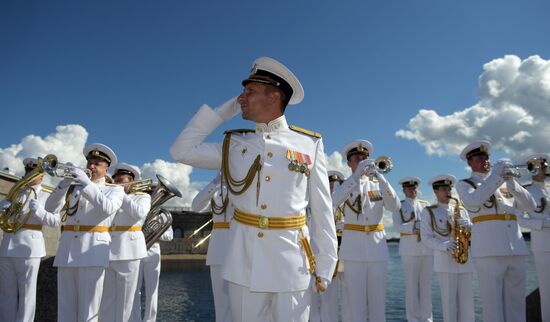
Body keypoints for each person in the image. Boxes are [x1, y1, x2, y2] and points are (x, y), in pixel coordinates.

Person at [169, 56, 338, 322]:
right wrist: (226, 111)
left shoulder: (309, 144)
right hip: (244, 262)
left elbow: (322, 209)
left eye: (250, 91)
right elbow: (181, 150)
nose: (241, 98)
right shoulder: (234, 144)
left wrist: (326, 265)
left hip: (291, 263)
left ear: (274, 96)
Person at [455, 140, 536, 322]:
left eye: (486, 157)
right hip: (489, 251)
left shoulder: (504, 183)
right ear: (470, 162)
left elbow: (531, 206)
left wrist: (512, 182)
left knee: (516, 305)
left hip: (515, 249)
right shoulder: (465, 184)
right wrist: (497, 177)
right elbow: (474, 201)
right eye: (479, 158)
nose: (484, 161)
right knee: (493, 307)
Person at [45, 143, 124, 322]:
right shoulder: (74, 188)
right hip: (67, 252)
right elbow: (50, 208)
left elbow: (107, 208)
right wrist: (64, 184)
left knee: (89, 311)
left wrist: (87, 183)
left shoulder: (115, 190)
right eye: (90, 162)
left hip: (92, 253)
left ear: (106, 168)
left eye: (97, 163)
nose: (91, 166)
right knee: (65, 310)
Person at [331, 140, 400, 322]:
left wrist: (381, 177)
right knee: (356, 304)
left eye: (365, 158)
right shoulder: (343, 185)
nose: (362, 160)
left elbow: (395, 206)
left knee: (378, 304)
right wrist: (355, 177)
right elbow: (332, 203)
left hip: (377, 250)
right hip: (353, 251)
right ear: (349, 163)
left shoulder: (377, 185)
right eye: (357, 158)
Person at [0, 157, 60, 322]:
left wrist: (40, 212)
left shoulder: (48, 195)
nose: (30, 175)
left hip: (29, 247)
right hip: (8, 245)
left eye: (34, 172)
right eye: (28, 171)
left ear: (42, 176)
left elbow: (55, 221)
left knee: (27, 293)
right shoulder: (15, 192)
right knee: (6, 292)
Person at [420, 175, 474, 322]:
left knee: (467, 303)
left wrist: (470, 228)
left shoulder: (461, 210)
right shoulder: (429, 212)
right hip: (445, 261)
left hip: (464, 260)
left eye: (449, 188)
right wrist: (443, 245)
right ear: (436, 191)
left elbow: (470, 235)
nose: (448, 191)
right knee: (449, 303)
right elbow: (425, 237)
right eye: (444, 189)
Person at [100, 163, 150, 322]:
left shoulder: (142, 197)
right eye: (116, 181)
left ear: (132, 182)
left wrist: (120, 193)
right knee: (107, 300)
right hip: (107, 250)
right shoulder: (110, 197)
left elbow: (138, 213)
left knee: (128, 301)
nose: (118, 184)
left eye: (123, 180)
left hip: (130, 251)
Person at [191, 173, 232, 322]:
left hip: (240, 248)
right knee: (221, 304)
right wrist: (215, 182)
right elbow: (196, 206)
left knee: (243, 303)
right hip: (219, 250)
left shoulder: (246, 187)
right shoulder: (217, 192)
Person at [391, 176, 433, 322]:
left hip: (427, 250)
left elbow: (431, 226)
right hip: (409, 250)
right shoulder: (398, 206)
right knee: (411, 287)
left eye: (414, 187)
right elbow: (397, 227)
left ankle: (427, 319)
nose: (412, 189)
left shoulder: (426, 205)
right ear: (403, 190)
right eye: (408, 187)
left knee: (426, 287)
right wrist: (415, 227)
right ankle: (413, 319)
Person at [516, 153, 550, 321]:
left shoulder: (548, 189)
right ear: (534, 168)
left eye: (545, 165)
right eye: (542, 166)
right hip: (543, 245)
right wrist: (543, 224)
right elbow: (519, 218)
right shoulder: (527, 191)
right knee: (547, 291)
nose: (546, 168)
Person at [131, 226, 173, 322]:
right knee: (134, 289)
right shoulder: (138, 212)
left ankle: (150, 320)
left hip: (153, 249)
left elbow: (170, 236)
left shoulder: (162, 214)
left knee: (152, 291)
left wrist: (156, 232)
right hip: (136, 249)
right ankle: (135, 319)